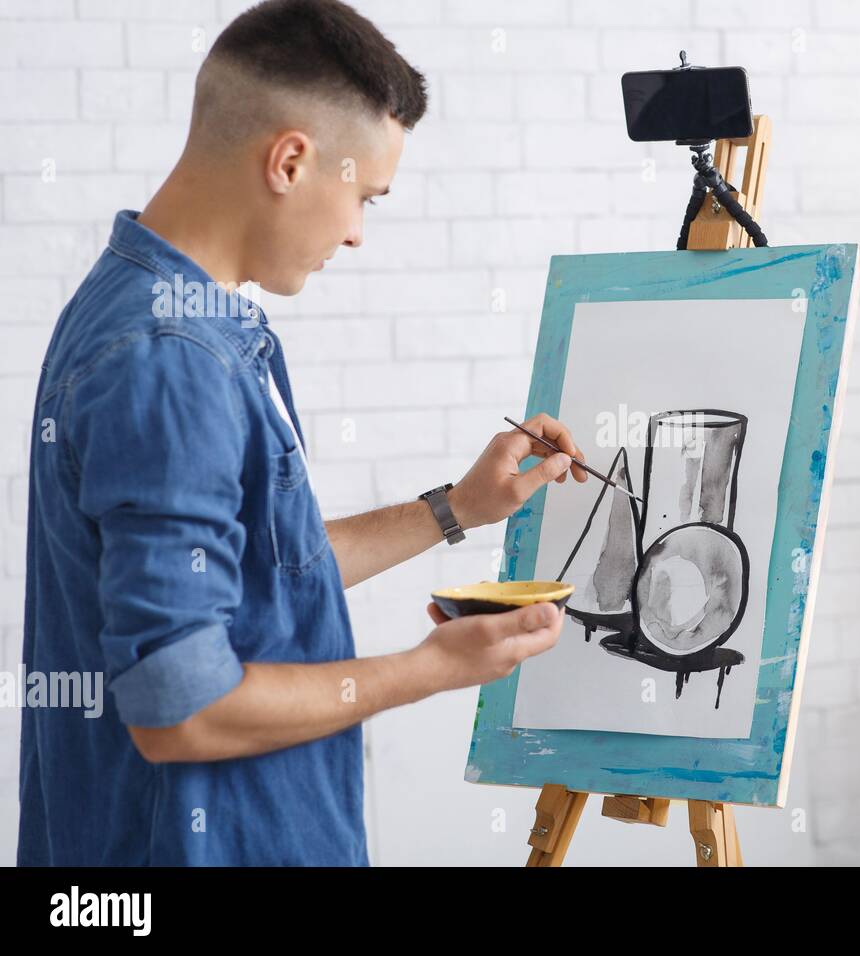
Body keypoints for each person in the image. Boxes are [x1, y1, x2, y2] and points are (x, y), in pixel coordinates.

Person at [18, 0, 586, 866]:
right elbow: (182, 707)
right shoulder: (168, 362)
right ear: (290, 159)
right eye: (363, 194)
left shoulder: (165, 309)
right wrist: (430, 669)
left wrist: (455, 508)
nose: (357, 231)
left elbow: (251, 573)